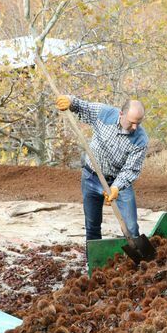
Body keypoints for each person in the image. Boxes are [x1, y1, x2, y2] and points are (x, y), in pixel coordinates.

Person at [55, 95, 148, 244]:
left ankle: (138, 261)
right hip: (91, 178)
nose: (135, 127)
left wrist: (117, 187)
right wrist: (69, 101)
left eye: (139, 123)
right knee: (92, 226)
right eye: (132, 122)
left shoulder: (140, 139)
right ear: (121, 114)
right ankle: (93, 263)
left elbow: (131, 169)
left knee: (131, 227)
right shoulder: (104, 113)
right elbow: (81, 105)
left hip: (119, 183)